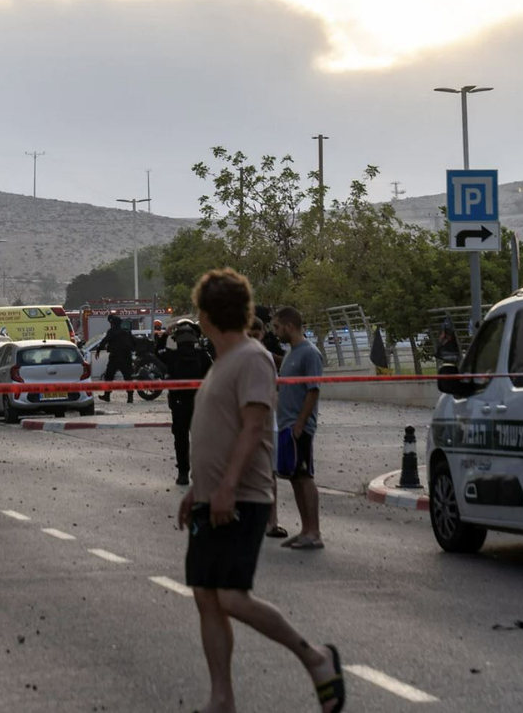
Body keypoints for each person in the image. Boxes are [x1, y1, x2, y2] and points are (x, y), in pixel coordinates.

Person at [180, 269, 344, 713]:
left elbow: (253, 428)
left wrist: (227, 488)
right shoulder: (224, 361)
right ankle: (221, 700)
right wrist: (197, 489)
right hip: (212, 496)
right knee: (206, 596)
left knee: (231, 597)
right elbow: (218, 432)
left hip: (240, 498)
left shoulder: (252, 358)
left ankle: (316, 659)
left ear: (207, 314)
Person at [273, 307, 325, 551]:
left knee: (304, 476)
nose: (275, 332)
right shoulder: (291, 353)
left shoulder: (310, 353)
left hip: (299, 427)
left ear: (289, 326)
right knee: (294, 476)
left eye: (277, 327)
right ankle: (305, 530)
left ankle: (314, 532)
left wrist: (301, 423)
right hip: (286, 425)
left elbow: (313, 390)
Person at [244, 318, 288, 540]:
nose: (253, 338)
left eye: (256, 334)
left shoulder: (270, 358)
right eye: (249, 334)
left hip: (269, 423)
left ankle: (272, 521)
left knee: (269, 474)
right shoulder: (235, 358)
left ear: (263, 333)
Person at [162, 319, 210, 486]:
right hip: (200, 403)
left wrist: (165, 334)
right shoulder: (203, 355)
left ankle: (183, 473)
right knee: (200, 440)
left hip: (179, 404)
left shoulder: (171, 355)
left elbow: (157, 351)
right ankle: (199, 472)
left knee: (181, 439)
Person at [100, 314, 137, 404]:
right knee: (128, 377)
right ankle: (130, 397)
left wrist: (98, 350)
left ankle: (107, 395)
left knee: (109, 376)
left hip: (115, 358)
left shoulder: (111, 331)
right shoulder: (126, 331)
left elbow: (105, 341)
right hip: (126, 358)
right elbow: (134, 342)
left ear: (112, 323)